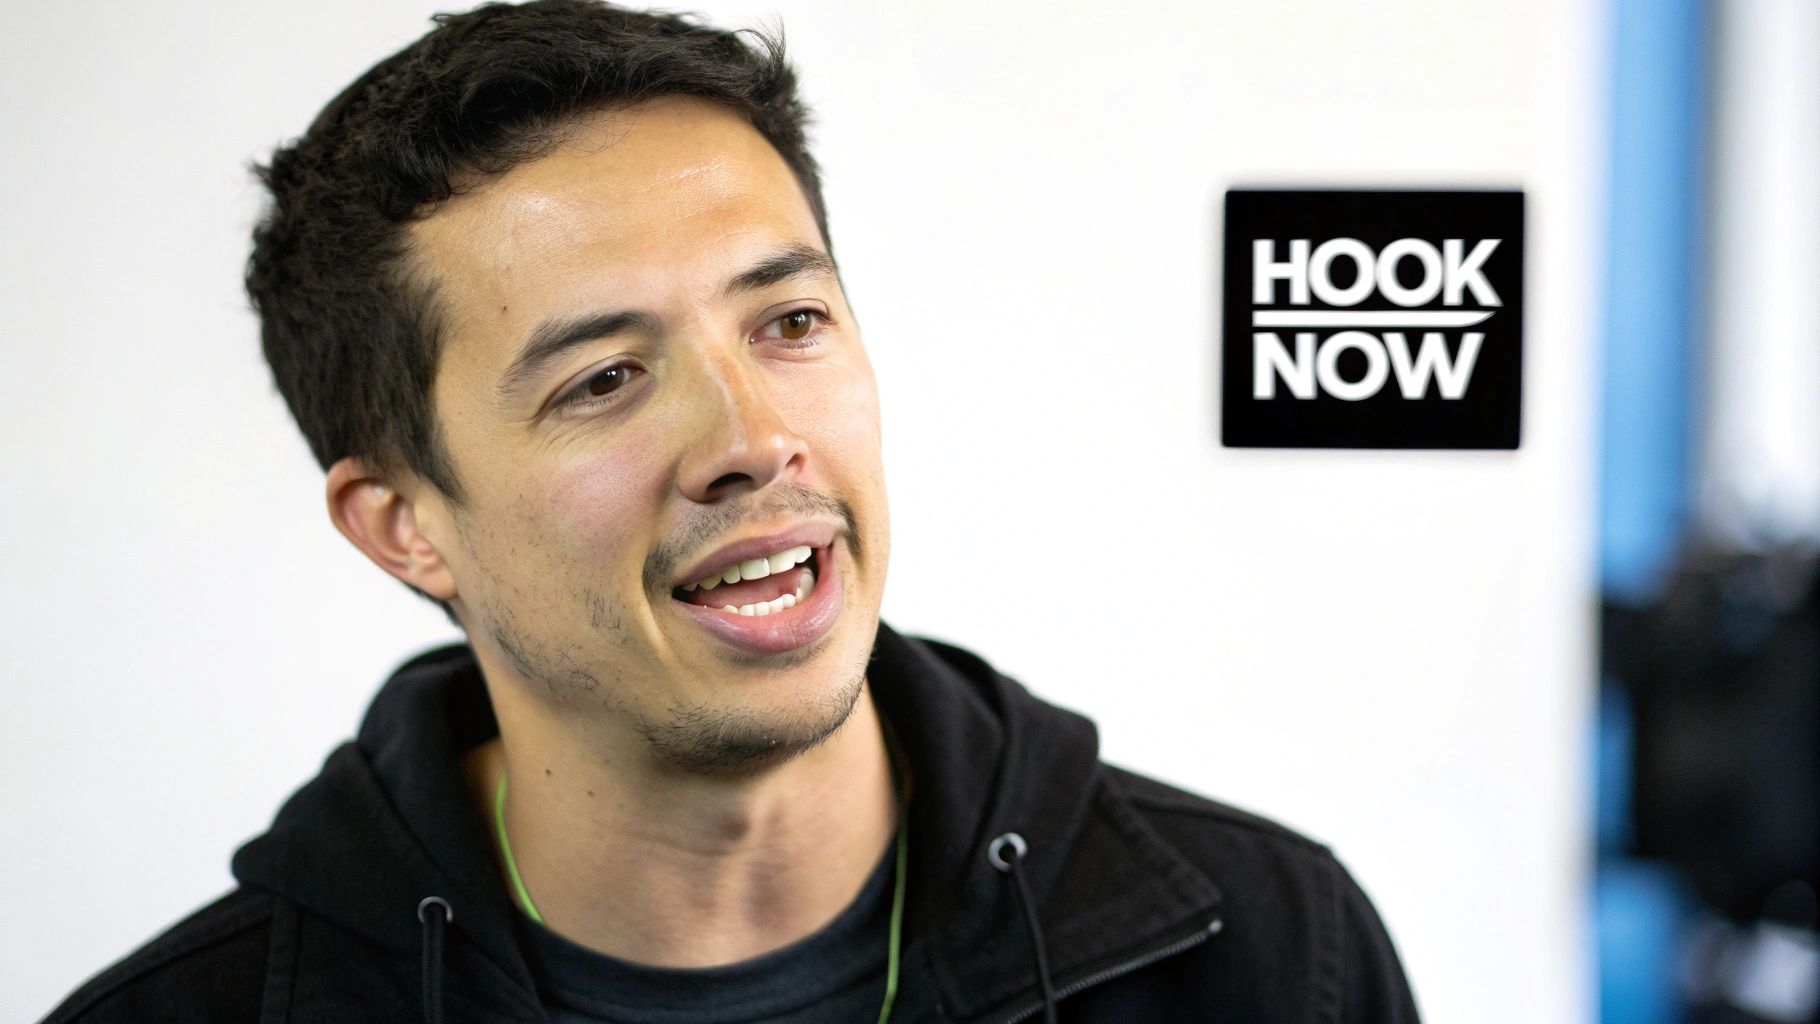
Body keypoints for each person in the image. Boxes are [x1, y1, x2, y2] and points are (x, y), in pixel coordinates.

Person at [44, 2, 1419, 1021]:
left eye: (792, 321)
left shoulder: (1267, 959)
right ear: (405, 525)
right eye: (603, 380)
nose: (753, 438)